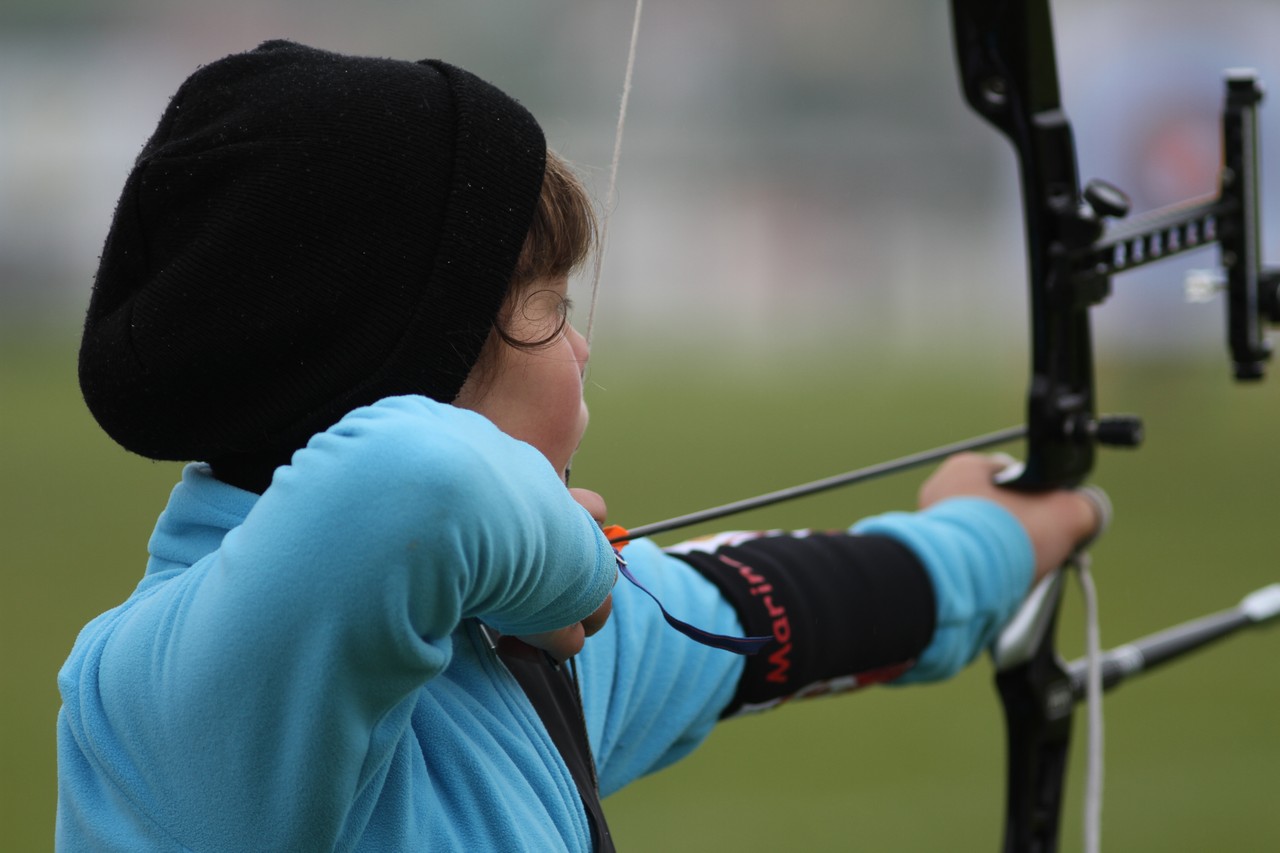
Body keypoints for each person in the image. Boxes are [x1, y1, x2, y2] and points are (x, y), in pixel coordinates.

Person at [56, 40, 1100, 852]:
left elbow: (761, 609)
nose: (583, 343)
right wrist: (560, 568)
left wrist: (991, 537)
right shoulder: (165, 695)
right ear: (408, 359)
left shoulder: (500, 641)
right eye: (549, 307)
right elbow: (411, 487)